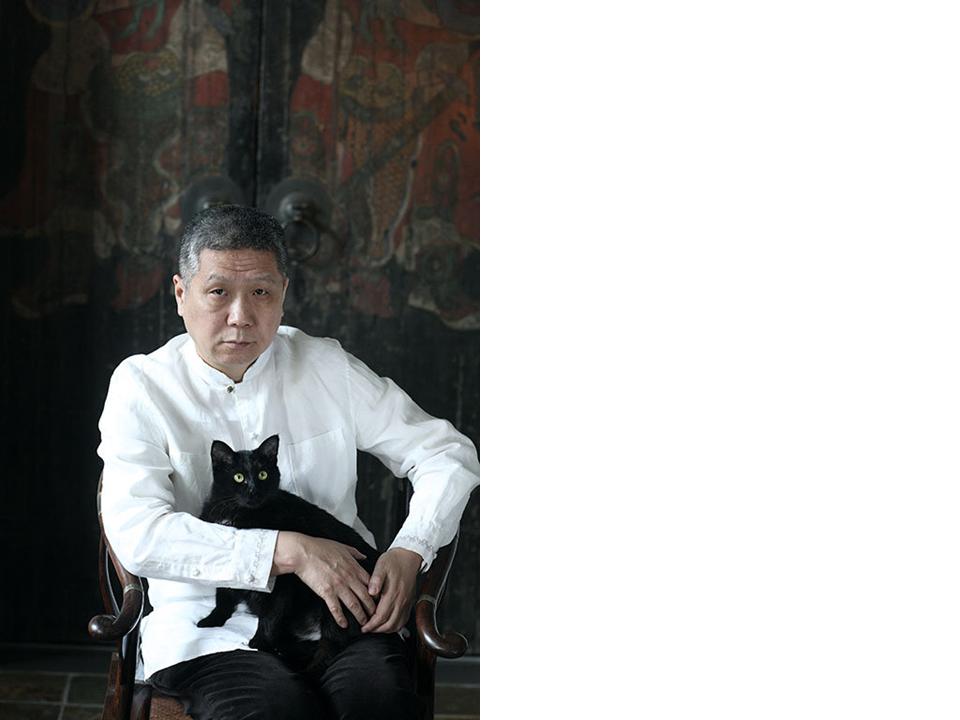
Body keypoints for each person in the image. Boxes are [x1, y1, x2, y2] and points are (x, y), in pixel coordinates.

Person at [97, 204, 480, 720]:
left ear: (284, 294)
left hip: (342, 609)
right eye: (218, 292)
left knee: (380, 705)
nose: (240, 316)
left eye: (261, 292)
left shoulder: (326, 366)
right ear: (181, 294)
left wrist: (412, 548)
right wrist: (289, 550)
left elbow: (447, 453)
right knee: (276, 712)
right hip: (208, 629)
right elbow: (138, 533)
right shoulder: (142, 386)